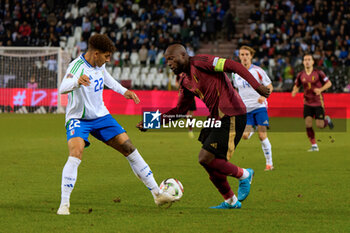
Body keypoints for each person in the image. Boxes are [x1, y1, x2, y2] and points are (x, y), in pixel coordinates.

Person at [137, 43, 270, 209]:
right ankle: (231, 201)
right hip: (216, 119)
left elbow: (233, 65)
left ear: (183, 55)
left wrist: (257, 86)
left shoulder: (202, 61)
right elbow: (180, 110)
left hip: (232, 114)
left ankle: (244, 175)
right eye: (166, 60)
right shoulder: (185, 81)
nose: (169, 63)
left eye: (171, 58)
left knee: (206, 157)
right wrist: (152, 121)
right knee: (208, 162)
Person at [57, 34, 175, 215]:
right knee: (76, 153)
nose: (108, 60)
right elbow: (62, 87)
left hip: (101, 116)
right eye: (106, 56)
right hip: (78, 119)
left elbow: (107, 79)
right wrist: (76, 82)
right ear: (95, 53)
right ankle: (64, 204)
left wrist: (124, 91)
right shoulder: (76, 66)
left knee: (129, 147)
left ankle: (157, 194)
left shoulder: (100, 65)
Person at [233, 46, 274, 171]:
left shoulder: (258, 71)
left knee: (262, 135)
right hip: (246, 109)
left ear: (251, 56)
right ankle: (253, 126)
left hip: (259, 106)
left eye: (246, 54)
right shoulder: (235, 74)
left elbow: (270, 86)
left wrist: (263, 96)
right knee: (245, 136)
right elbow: (236, 90)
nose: (244, 57)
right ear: (239, 56)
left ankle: (269, 164)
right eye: (242, 54)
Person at [291, 54, 334, 152]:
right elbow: (296, 85)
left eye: (309, 60)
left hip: (318, 102)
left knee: (320, 125)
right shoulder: (300, 75)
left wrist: (321, 89)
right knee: (308, 124)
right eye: (305, 60)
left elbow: (329, 83)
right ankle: (314, 145)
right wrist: (294, 91)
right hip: (307, 102)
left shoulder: (319, 73)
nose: (307, 61)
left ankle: (327, 121)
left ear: (313, 62)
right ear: (303, 62)